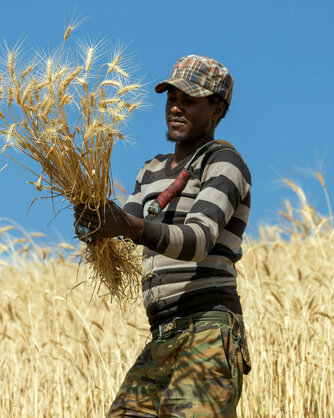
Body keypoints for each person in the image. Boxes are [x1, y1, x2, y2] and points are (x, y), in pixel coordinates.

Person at [74, 55, 252, 417]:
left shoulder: (223, 163)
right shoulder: (152, 170)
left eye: (190, 101)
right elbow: (124, 227)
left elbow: (199, 238)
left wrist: (129, 227)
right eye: (172, 98)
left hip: (209, 326)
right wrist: (94, 223)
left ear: (218, 110)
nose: (176, 107)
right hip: (162, 333)